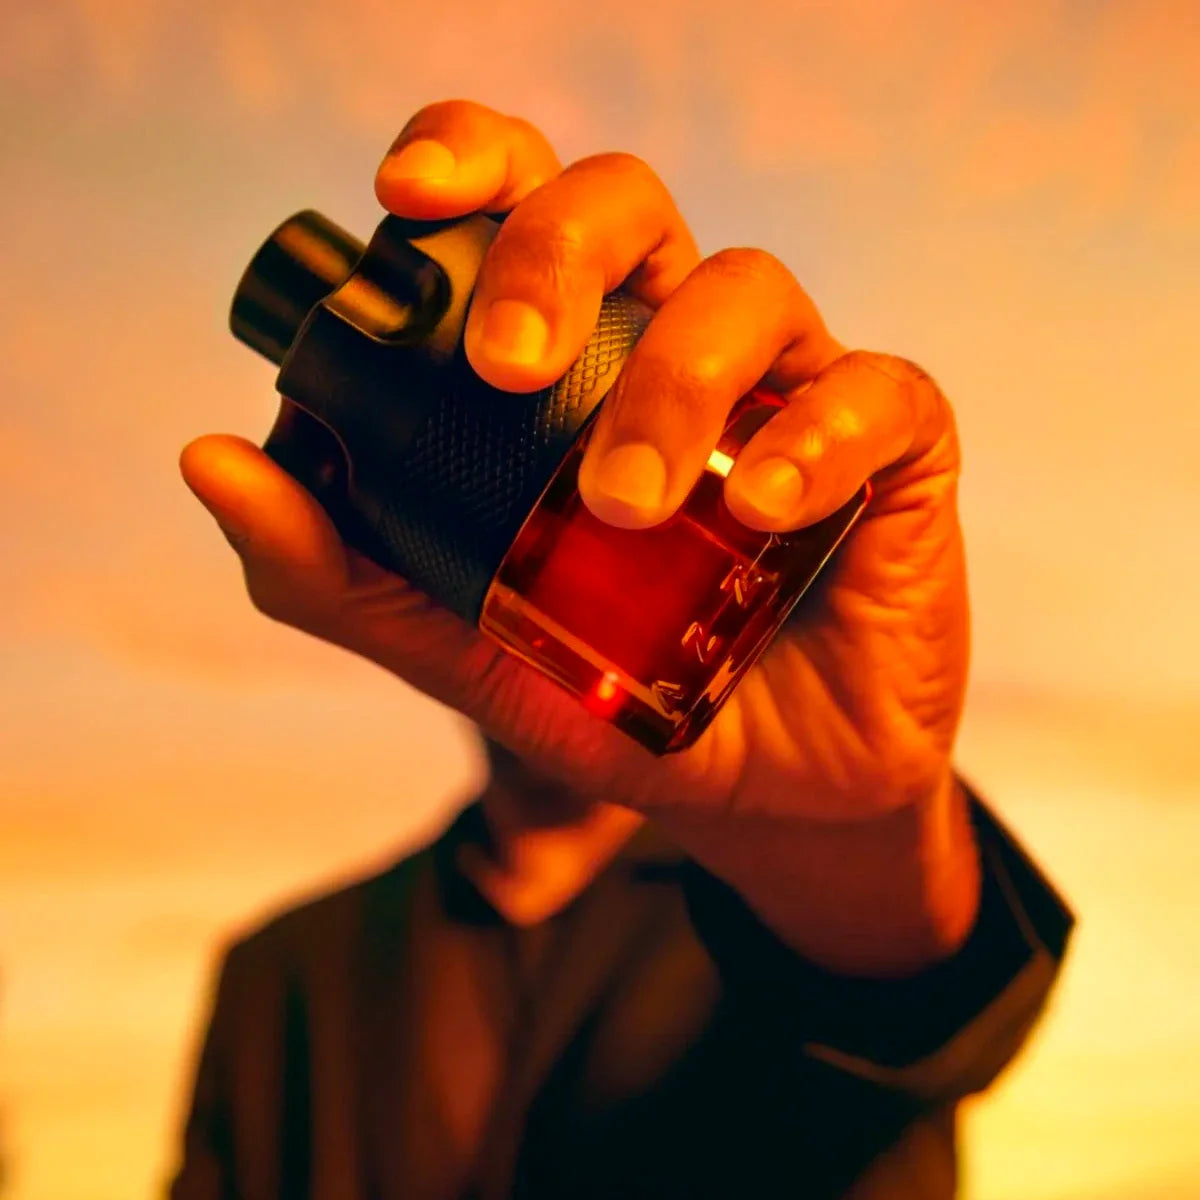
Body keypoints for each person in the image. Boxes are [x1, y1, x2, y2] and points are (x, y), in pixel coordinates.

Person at [170, 99, 1074, 1199]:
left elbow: (933, 1025)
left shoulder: (791, 918)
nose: (606, 551)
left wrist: (855, 838)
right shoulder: (284, 980)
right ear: (398, 533)